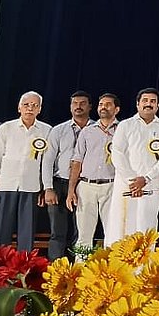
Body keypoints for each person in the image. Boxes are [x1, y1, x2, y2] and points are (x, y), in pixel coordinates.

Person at [0, 91, 51, 252]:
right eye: (26, 105)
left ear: (39, 109)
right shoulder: (6, 128)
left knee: (27, 232)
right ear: (19, 107)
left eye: (34, 105)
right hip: (5, 186)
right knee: (2, 231)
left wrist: (44, 189)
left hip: (31, 187)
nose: (30, 109)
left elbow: (46, 163)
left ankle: (24, 268)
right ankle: (1, 268)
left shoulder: (46, 130)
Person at [107, 88, 159, 244]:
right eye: (145, 101)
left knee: (147, 227)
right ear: (137, 104)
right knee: (121, 228)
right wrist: (133, 180)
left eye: (152, 101)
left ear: (157, 106)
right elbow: (117, 153)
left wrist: (146, 178)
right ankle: (119, 267)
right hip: (126, 185)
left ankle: (145, 267)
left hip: (150, 185)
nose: (148, 104)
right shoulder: (125, 125)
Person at [43, 91, 93, 259]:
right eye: (75, 103)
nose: (78, 106)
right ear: (70, 106)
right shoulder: (58, 130)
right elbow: (48, 160)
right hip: (60, 184)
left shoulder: (97, 129)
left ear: (90, 106)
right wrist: (48, 188)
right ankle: (55, 271)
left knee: (81, 231)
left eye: (82, 103)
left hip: (85, 185)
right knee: (58, 232)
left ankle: (78, 270)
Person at [68, 93, 119, 250]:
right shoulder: (87, 131)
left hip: (111, 185)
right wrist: (71, 190)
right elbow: (77, 161)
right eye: (101, 104)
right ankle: (81, 270)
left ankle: (111, 269)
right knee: (84, 233)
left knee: (112, 232)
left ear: (116, 109)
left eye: (108, 104)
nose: (103, 107)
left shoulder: (123, 130)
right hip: (86, 186)